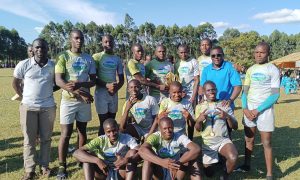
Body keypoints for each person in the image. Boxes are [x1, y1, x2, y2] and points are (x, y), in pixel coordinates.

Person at [12, 38, 58, 180]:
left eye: (43, 47)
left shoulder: (53, 65)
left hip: (48, 107)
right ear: (32, 49)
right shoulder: (23, 64)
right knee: (29, 140)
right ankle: (29, 170)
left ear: (47, 49)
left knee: (46, 139)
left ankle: (44, 166)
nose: (40, 50)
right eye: (37, 47)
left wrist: (47, 91)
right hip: (28, 107)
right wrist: (23, 96)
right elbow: (15, 83)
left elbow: (57, 83)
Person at [235, 42, 280, 180]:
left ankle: (269, 174)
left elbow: (275, 95)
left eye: (262, 52)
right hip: (249, 110)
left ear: (268, 54)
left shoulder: (273, 69)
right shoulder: (250, 69)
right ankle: (246, 165)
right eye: (256, 52)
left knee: (266, 142)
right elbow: (245, 92)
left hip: (264, 111)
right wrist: (245, 108)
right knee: (249, 140)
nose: (258, 54)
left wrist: (258, 110)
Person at [55, 29, 96, 179]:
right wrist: (80, 92)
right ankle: (62, 165)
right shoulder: (63, 56)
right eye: (76, 38)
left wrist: (80, 84)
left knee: (82, 131)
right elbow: (59, 80)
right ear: (70, 39)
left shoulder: (88, 58)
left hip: (84, 102)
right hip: (68, 101)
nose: (79, 41)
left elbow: (93, 80)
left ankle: (81, 158)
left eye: (81, 38)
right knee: (65, 134)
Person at [195, 81, 238, 179]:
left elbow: (235, 126)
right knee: (209, 174)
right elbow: (198, 129)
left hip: (223, 140)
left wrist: (227, 116)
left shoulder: (224, 104)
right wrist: (199, 121)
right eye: (208, 90)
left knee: (233, 157)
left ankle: (224, 176)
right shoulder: (199, 107)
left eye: (213, 89)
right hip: (208, 143)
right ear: (204, 92)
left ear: (216, 90)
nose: (211, 92)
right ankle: (209, 162)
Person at [73, 119, 140, 180]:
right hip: (104, 172)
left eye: (114, 130)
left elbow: (139, 152)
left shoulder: (127, 138)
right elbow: (76, 153)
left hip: (122, 171)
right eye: (108, 132)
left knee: (133, 152)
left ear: (118, 128)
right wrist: (97, 161)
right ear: (105, 132)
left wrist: (127, 159)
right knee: (87, 159)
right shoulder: (100, 140)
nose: (112, 134)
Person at [92, 35, 124, 136]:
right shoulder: (97, 57)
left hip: (113, 94)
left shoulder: (117, 59)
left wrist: (115, 89)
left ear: (114, 43)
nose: (108, 44)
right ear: (102, 43)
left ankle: (111, 147)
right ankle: (101, 148)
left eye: (110, 42)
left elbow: (122, 79)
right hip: (101, 94)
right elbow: (93, 78)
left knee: (112, 122)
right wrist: (107, 86)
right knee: (103, 123)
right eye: (105, 42)